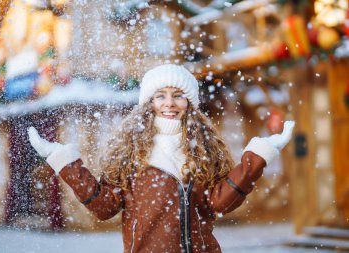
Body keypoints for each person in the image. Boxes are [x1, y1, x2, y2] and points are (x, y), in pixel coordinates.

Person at [28, 64, 295, 253]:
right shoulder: (129, 153)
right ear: (150, 102)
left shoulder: (204, 150)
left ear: (189, 102)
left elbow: (219, 203)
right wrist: (61, 159)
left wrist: (258, 156)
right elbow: (104, 207)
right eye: (161, 96)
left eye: (178, 95)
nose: (169, 103)